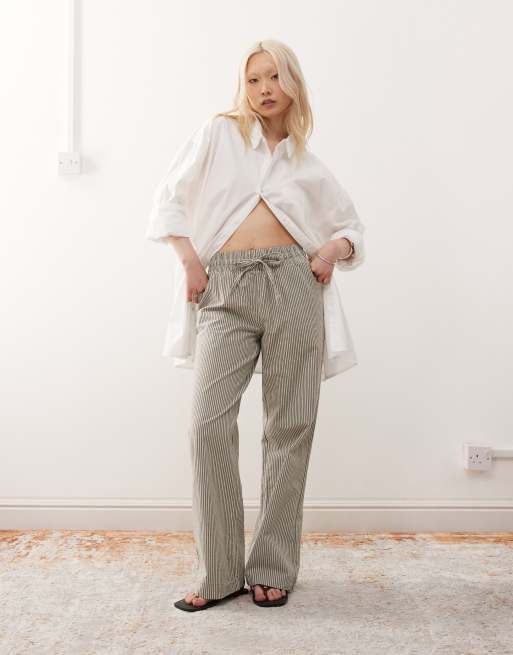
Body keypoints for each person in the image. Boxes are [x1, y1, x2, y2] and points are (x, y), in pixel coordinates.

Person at [146, 39, 366, 611]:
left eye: (274, 77)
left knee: (290, 425)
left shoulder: (306, 162)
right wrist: (190, 262)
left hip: (295, 284)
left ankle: (273, 567)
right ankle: (219, 572)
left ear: (293, 84)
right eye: (253, 79)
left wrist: (332, 250)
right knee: (207, 422)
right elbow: (169, 200)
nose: (265, 88)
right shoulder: (219, 134)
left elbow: (351, 229)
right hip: (225, 283)